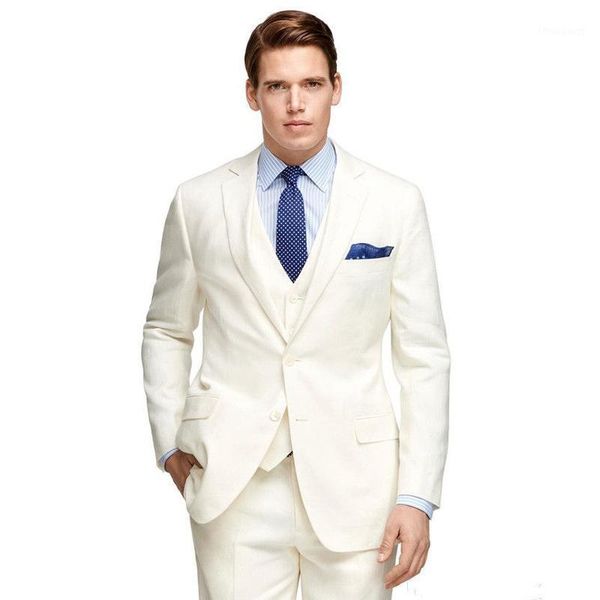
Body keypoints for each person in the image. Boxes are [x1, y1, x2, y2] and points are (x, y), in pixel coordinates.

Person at [141, 9, 450, 599]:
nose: (295, 103)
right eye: (277, 86)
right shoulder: (197, 201)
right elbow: (166, 329)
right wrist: (169, 443)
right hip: (232, 483)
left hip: (359, 487)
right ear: (252, 94)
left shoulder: (394, 202)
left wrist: (417, 494)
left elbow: (424, 357)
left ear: (337, 87)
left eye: (311, 83)